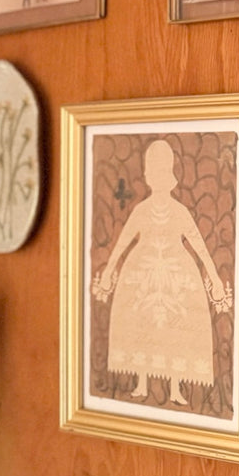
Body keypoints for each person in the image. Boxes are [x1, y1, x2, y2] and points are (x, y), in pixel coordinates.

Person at [92, 139, 230, 406]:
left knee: (174, 330)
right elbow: (123, 242)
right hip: (142, 276)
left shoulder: (179, 212)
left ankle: (176, 386)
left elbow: (198, 244)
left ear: (169, 176)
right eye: (152, 173)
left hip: (176, 278)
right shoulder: (141, 211)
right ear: (147, 176)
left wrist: (213, 275)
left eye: (160, 173)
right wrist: (109, 269)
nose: (155, 178)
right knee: (142, 324)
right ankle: (142, 381)